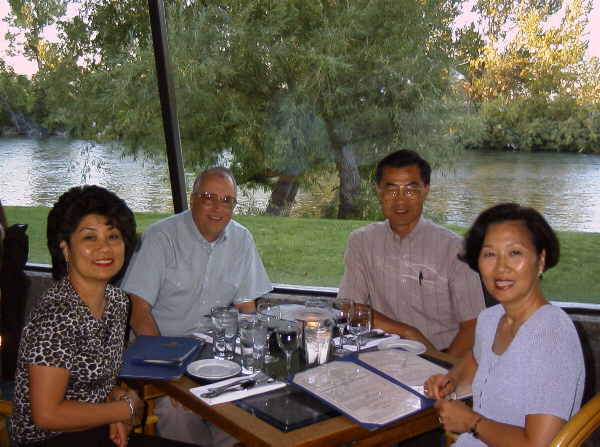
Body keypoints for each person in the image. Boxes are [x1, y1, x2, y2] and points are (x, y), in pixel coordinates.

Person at [9, 185, 193, 447]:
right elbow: (47, 415)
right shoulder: (57, 315)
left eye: (113, 236)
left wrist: (116, 397)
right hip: (48, 441)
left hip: (94, 430)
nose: (104, 248)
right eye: (89, 238)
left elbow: (96, 383)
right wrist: (124, 409)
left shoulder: (117, 302)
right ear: (65, 249)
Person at [120, 167, 272, 446]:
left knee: (253, 408)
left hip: (215, 355)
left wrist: (253, 364)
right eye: (209, 197)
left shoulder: (242, 240)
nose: (218, 208)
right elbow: (138, 310)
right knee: (177, 411)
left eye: (227, 201)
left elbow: (247, 308)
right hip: (161, 353)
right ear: (192, 200)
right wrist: (171, 377)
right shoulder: (161, 237)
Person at [424, 203, 585, 446]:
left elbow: (539, 444)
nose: (501, 268)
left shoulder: (551, 335)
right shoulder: (491, 319)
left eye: (515, 253)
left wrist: (472, 423)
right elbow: (478, 360)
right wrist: (452, 380)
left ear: (540, 261)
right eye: (489, 254)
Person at [338, 150, 485, 357]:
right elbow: (349, 309)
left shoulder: (454, 248)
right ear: (378, 191)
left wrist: (444, 366)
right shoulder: (361, 242)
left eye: (410, 190)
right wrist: (407, 332)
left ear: (425, 190)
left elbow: (473, 325)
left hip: (444, 355)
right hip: (383, 355)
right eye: (391, 190)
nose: (400, 201)